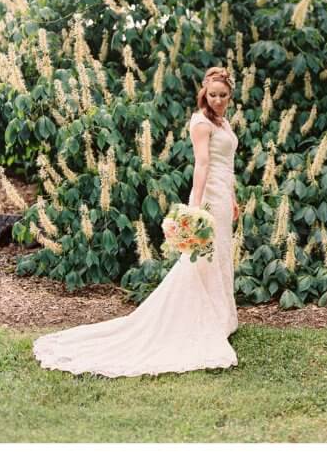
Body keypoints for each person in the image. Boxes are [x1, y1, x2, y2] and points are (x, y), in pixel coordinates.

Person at [32, 66, 240, 377]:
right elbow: (202, 163)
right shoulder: (200, 123)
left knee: (220, 254)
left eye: (223, 95)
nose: (218, 100)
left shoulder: (222, 122)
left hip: (224, 195)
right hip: (209, 196)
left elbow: (228, 164)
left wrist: (233, 198)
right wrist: (194, 206)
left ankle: (220, 316)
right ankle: (199, 320)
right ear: (204, 94)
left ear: (230, 95)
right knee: (201, 258)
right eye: (213, 95)